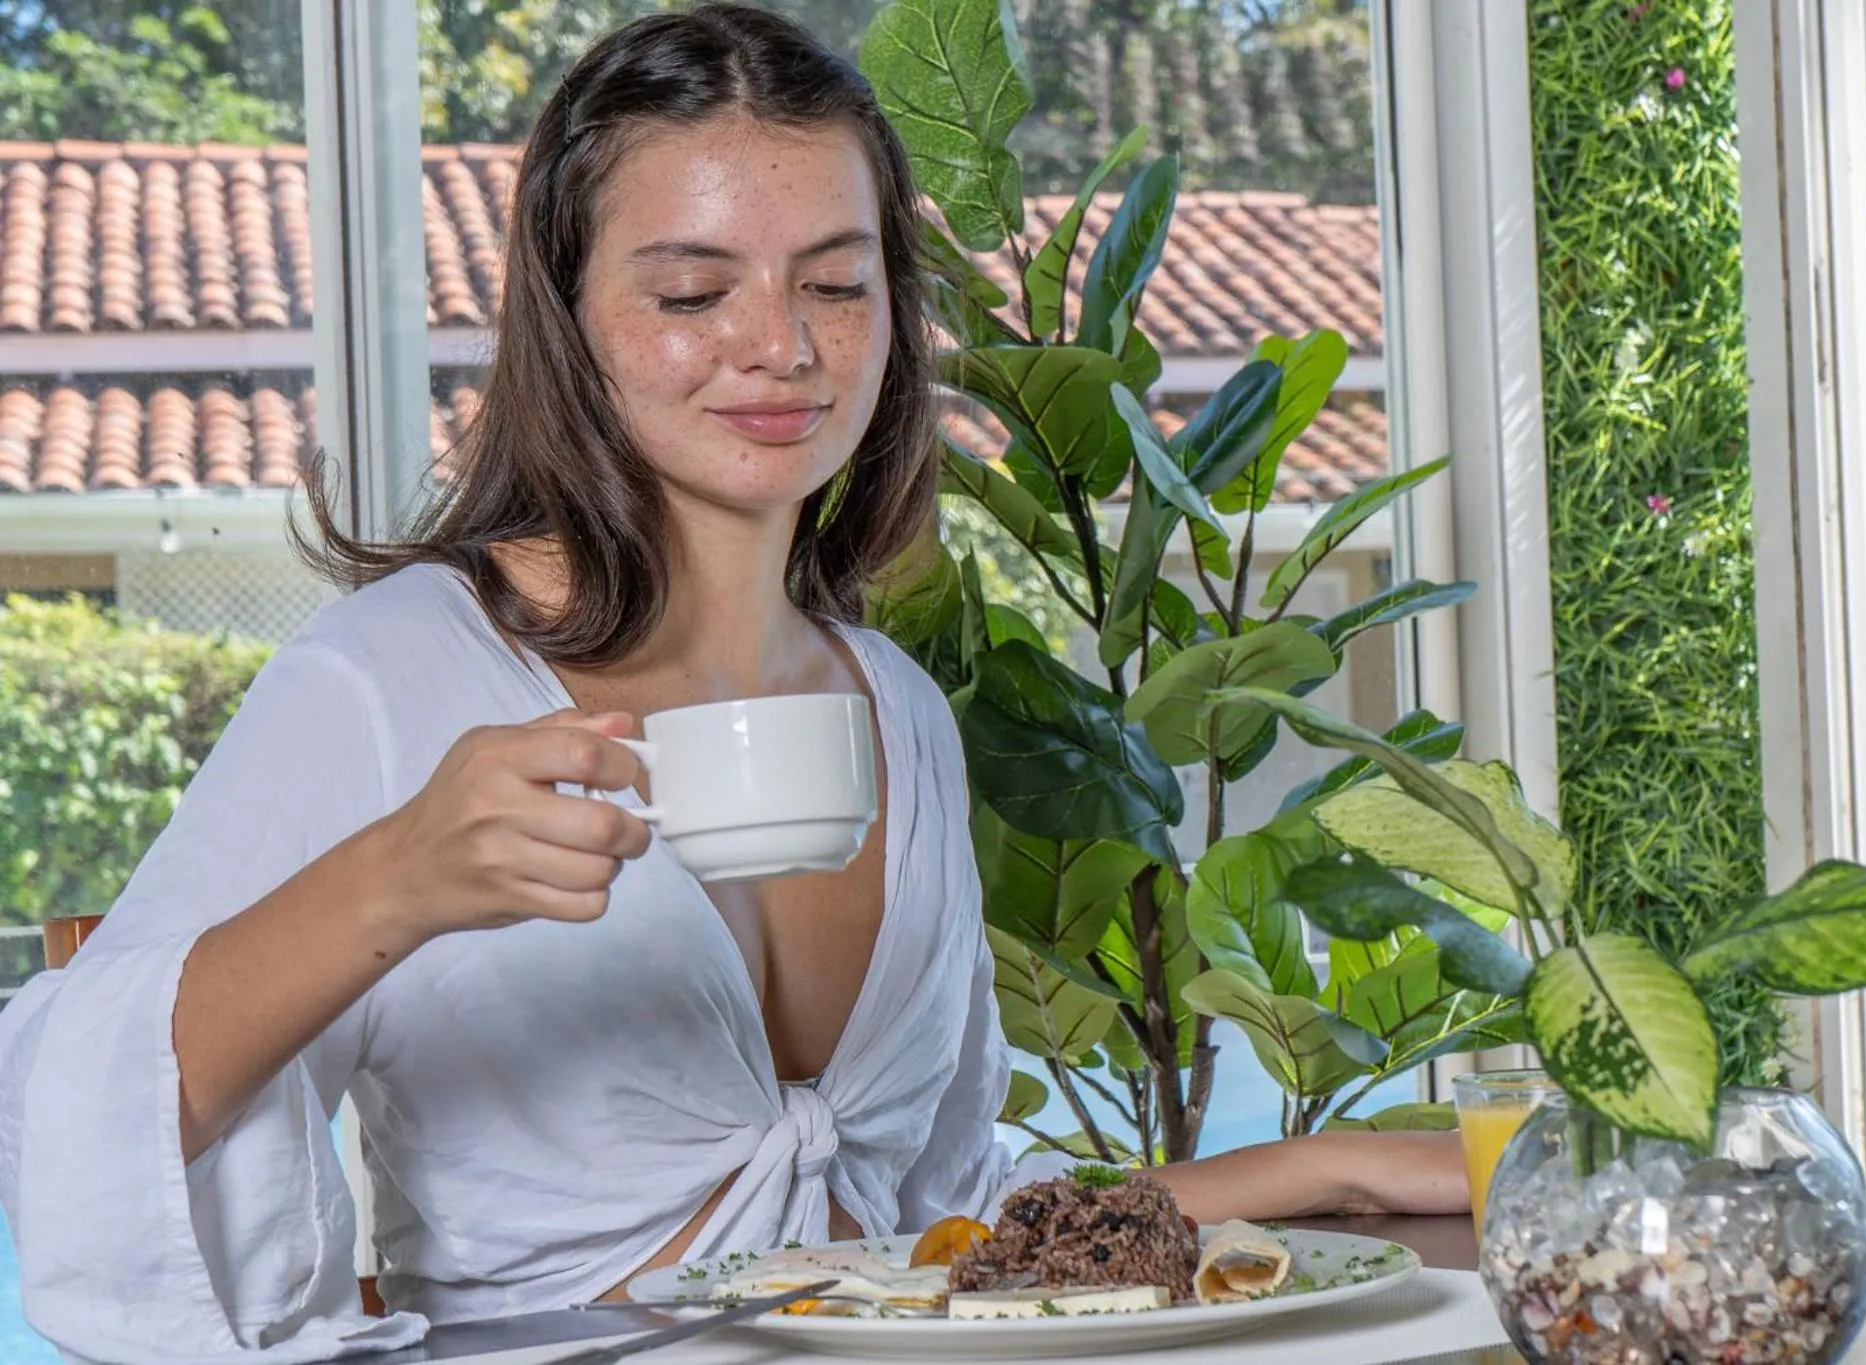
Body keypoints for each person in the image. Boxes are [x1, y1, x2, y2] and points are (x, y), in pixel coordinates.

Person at [0, 6, 1466, 1361]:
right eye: (694, 290)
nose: (782, 346)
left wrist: (1315, 1166)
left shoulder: (894, 708)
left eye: (836, 282)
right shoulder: (400, 676)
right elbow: (73, 1119)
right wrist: (395, 882)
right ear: (566, 318)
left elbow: (942, 1238)